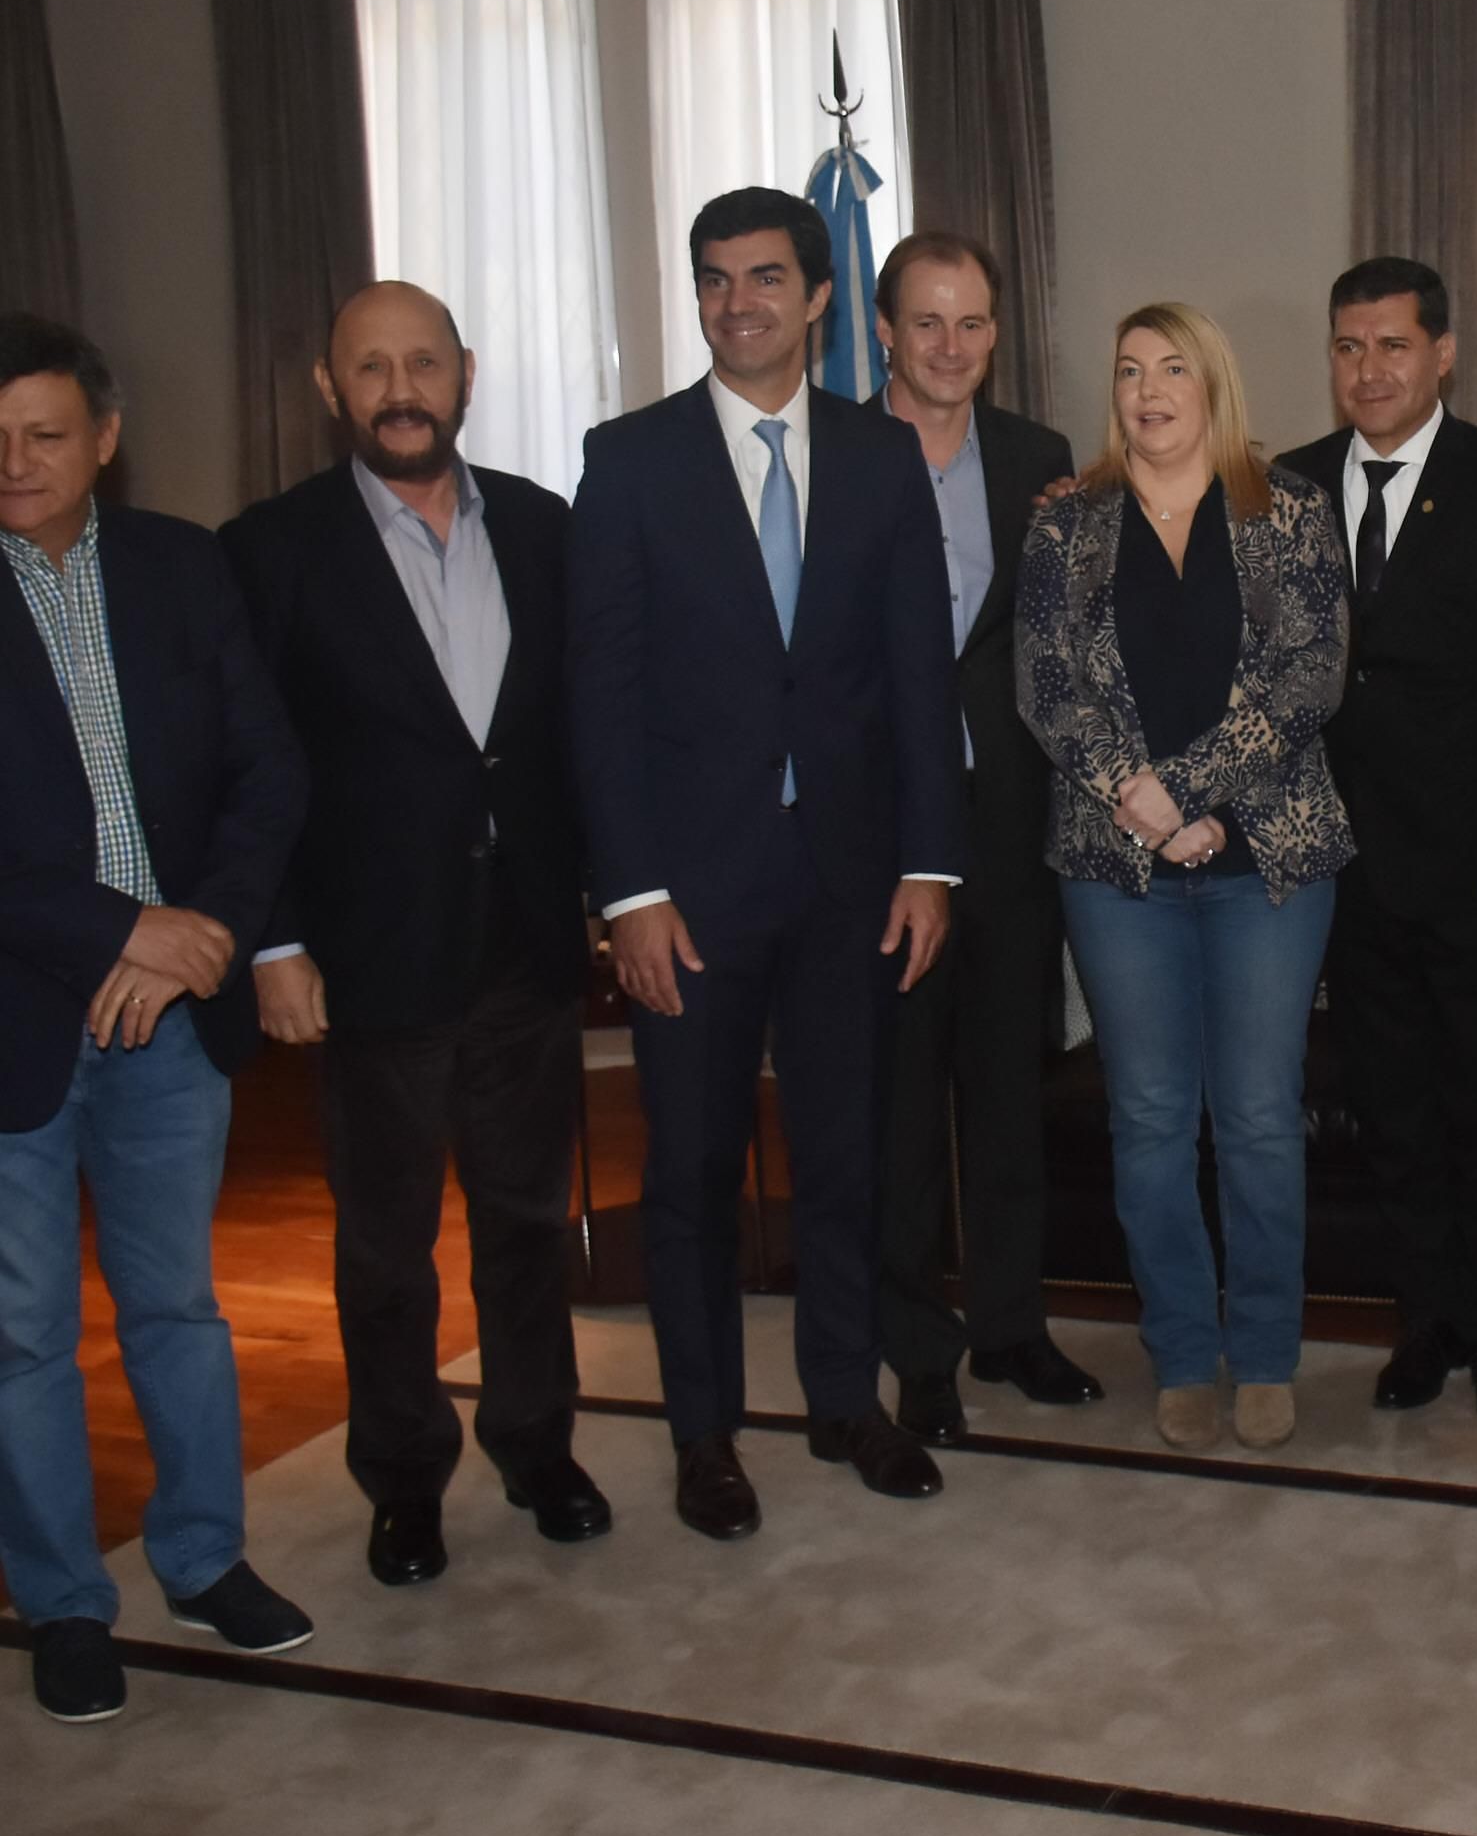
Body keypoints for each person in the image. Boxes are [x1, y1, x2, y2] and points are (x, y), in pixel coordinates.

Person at [568, 187, 964, 1538]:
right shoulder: (630, 461)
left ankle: (845, 1402)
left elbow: (918, 675)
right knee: (689, 1171)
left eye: (764, 278)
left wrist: (931, 863)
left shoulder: (880, 456)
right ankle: (704, 1436)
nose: (737, 303)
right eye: (714, 279)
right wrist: (628, 892)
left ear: (818, 299)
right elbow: (600, 696)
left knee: (846, 1156)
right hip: (688, 896)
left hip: (853, 883)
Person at [222, 281, 607, 1591]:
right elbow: (248, 762)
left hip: (526, 942)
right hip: (371, 952)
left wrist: (607, 894)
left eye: (423, 363)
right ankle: (402, 1481)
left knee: (527, 1221)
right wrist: (272, 942)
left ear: (465, 374)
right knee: (387, 1248)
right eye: (372, 367)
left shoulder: (545, 528)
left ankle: (538, 1447)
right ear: (329, 388)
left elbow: (576, 731)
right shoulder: (271, 549)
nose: (401, 390)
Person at [0, 314, 313, 1723]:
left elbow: (269, 770)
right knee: (22, 1336)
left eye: (46, 434)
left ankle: (202, 1557)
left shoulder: (183, 566)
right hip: (20, 1018)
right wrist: (122, 929)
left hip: (171, 1017)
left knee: (176, 1304)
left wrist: (204, 934)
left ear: (106, 439)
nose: (17, 461)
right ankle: (65, 1602)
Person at [1019, 303, 1352, 1453]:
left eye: (1171, 368)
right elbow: (1047, 688)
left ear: (1212, 383)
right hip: (1118, 870)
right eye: (1128, 370)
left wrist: (1190, 790)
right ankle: (1179, 1349)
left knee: (1257, 1116)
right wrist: (1143, 802)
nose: (1148, 390)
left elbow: (1312, 676)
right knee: (1151, 1118)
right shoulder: (1067, 525)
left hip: (1270, 865)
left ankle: (1261, 1354)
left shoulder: (1289, 508)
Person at [1277, 257, 1477, 1432]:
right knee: (1393, 1114)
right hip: (1345, 870)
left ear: (1443, 354)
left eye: (1393, 346)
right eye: (1349, 347)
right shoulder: (1290, 485)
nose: (1370, 370)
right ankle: (1427, 1325)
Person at [863, 231, 1099, 1440]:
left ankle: (1012, 1328)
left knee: (1009, 1094)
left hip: (1009, 824)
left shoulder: (1037, 458)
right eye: (927, 322)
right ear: (884, 332)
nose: (949, 346)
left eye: (970, 324)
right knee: (902, 1112)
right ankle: (919, 1351)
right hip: (882, 833)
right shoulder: (836, 456)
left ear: (995, 334)